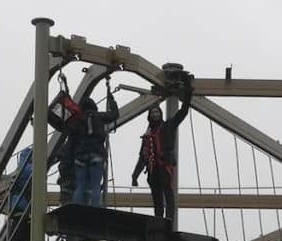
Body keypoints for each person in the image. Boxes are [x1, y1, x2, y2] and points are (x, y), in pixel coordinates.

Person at [131, 75, 193, 220]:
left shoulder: (168, 126)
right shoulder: (147, 135)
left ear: (160, 114)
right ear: (150, 116)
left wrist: (188, 91)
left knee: (168, 194)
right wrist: (135, 175)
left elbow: (183, 111)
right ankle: (159, 221)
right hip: (153, 171)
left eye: (157, 112)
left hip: (164, 166)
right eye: (153, 113)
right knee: (157, 198)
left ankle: (169, 221)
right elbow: (143, 156)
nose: (155, 114)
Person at [67, 86, 118, 208]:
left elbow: (71, 140)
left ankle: (75, 209)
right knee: (95, 186)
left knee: (80, 187)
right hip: (97, 154)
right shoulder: (99, 117)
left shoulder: (77, 120)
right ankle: (95, 209)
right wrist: (111, 100)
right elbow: (115, 115)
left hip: (80, 156)